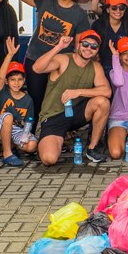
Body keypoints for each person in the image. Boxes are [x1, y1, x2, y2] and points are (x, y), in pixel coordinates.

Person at [14, 0, 91, 109]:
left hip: (59, 64)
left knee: (59, 102)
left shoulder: (79, 15)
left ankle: (60, 131)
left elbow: (79, 46)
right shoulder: (46, 0)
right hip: (35, 58)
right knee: (35, 101)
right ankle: (32, 132)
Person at [32, 30, 112, 165]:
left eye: (93, 47)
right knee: (49, 159)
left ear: (97, 51)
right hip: (54, 116)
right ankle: (55, 141)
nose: (89, 49)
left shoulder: (96, 67)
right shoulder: (63, 59)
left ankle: (92, 148)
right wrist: (58, 47)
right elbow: (36, 68)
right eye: (86, 44)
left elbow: (107, 91)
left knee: (103, 102)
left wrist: (78, 92)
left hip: (76, 114)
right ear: (78, 45)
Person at [0, 39, 36, 166]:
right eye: (12, 79)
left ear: (24, 81)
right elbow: (0, 76)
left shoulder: (28, 99)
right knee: (8, 116)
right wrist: (10, 55)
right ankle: (7, 154)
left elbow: (29, 120)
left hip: (16, 130)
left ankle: (12, 145)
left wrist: (26, 134)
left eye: (19, 79)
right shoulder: (2, 91)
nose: (16, 83)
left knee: (32, 146)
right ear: (7, 81)